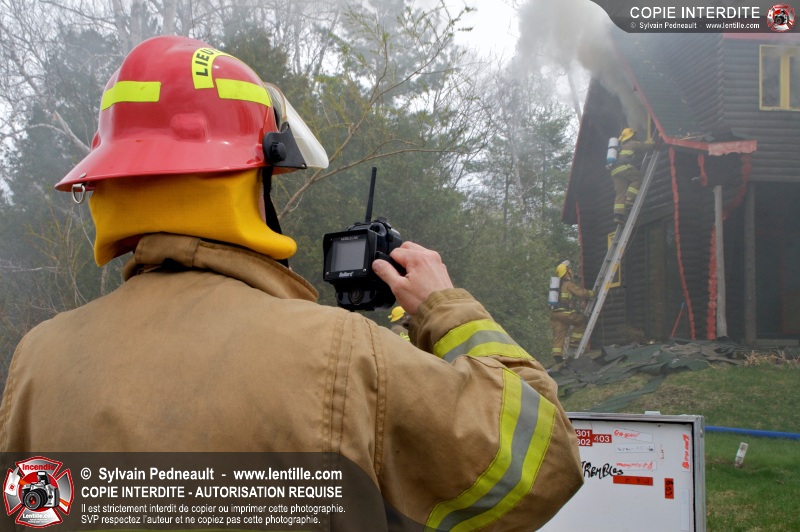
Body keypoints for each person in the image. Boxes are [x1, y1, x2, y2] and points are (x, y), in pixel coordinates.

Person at [0, 36, 582, 529]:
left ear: (109, 183)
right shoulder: (342, 355)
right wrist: (444, 309)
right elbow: (544, 462)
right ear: (248, 182)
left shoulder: (37, 361)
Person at [550, 260, 594, 366]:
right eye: (569, 269)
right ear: (566, 271)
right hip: (564, 312)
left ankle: (557, 356)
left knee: (560, 333)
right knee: (581, 320)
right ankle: (574, 343)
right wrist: (592, 293)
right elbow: (581, 293)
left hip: (555, 313)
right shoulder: (568, 284)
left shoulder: (557, 285)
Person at [608, 127, 653, 225]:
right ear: (631, 137)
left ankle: (618, 216)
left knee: (620, 192)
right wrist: (654, 143)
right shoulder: (632, 143)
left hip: (614, 171)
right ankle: (630, 198)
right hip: (624, 167)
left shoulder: (618, 148)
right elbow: (645, 147)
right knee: (638, 178)